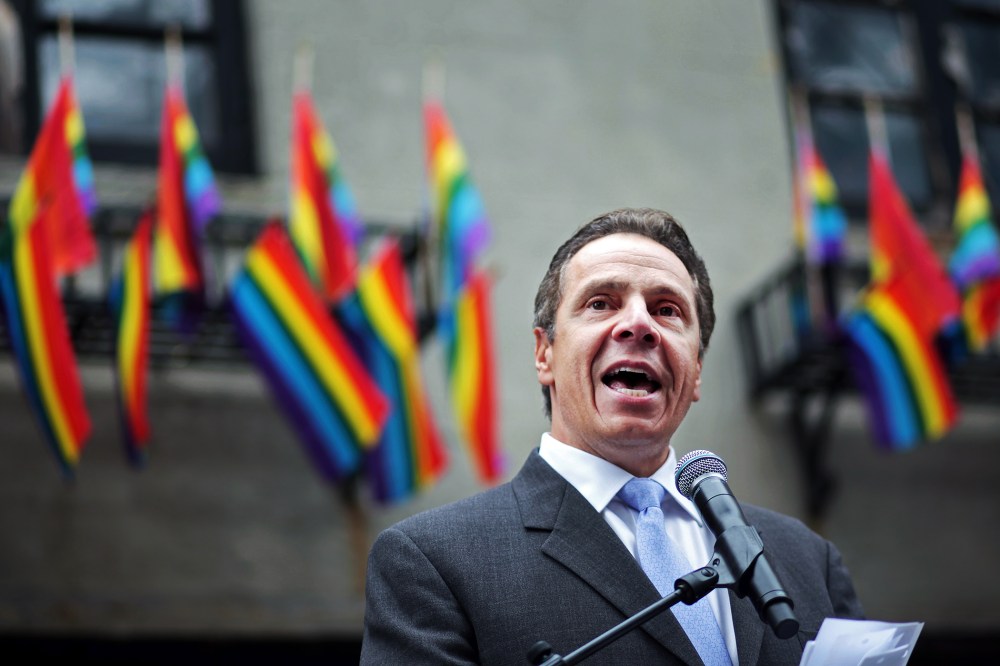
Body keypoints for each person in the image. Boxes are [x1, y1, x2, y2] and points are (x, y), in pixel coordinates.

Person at [361, 208, 863, 665]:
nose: (639, 325)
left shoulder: (806, 558)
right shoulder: (435, 562)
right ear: (545, 355)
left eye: (668, 310)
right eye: (601, 303)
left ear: (697, 369)